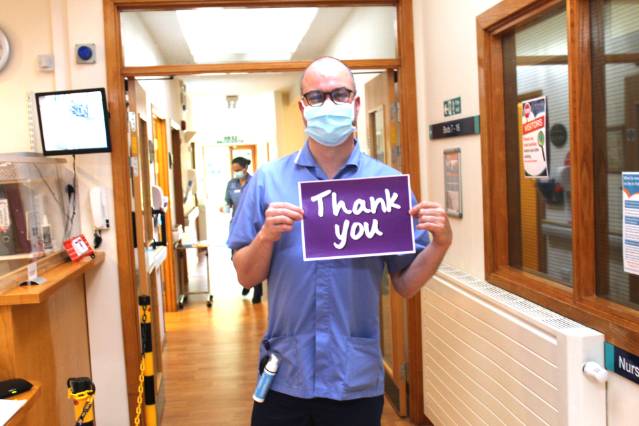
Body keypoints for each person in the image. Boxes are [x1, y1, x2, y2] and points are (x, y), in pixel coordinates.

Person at [227, 57, 452, 426]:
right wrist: (266, 237)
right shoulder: (268, 181)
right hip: (285, 374)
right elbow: (246, 277)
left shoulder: (385, 188)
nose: (328, 104)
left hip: (354, 379)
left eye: (339, 94)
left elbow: (405, 284)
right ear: (302, 108)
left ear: (356, 104)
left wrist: (440, 244)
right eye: (316, 97)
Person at [224, 157, 263, 304]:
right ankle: (247, 282)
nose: (236, 173)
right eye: (234, 170)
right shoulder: (231, 184)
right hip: (236, 226)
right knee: (236, 257)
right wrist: (225, 207)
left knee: (254, 258)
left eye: (238, 170)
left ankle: (257, 290)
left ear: (245, 168)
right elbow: (228, 201)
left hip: (252, 226)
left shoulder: (255, 183)